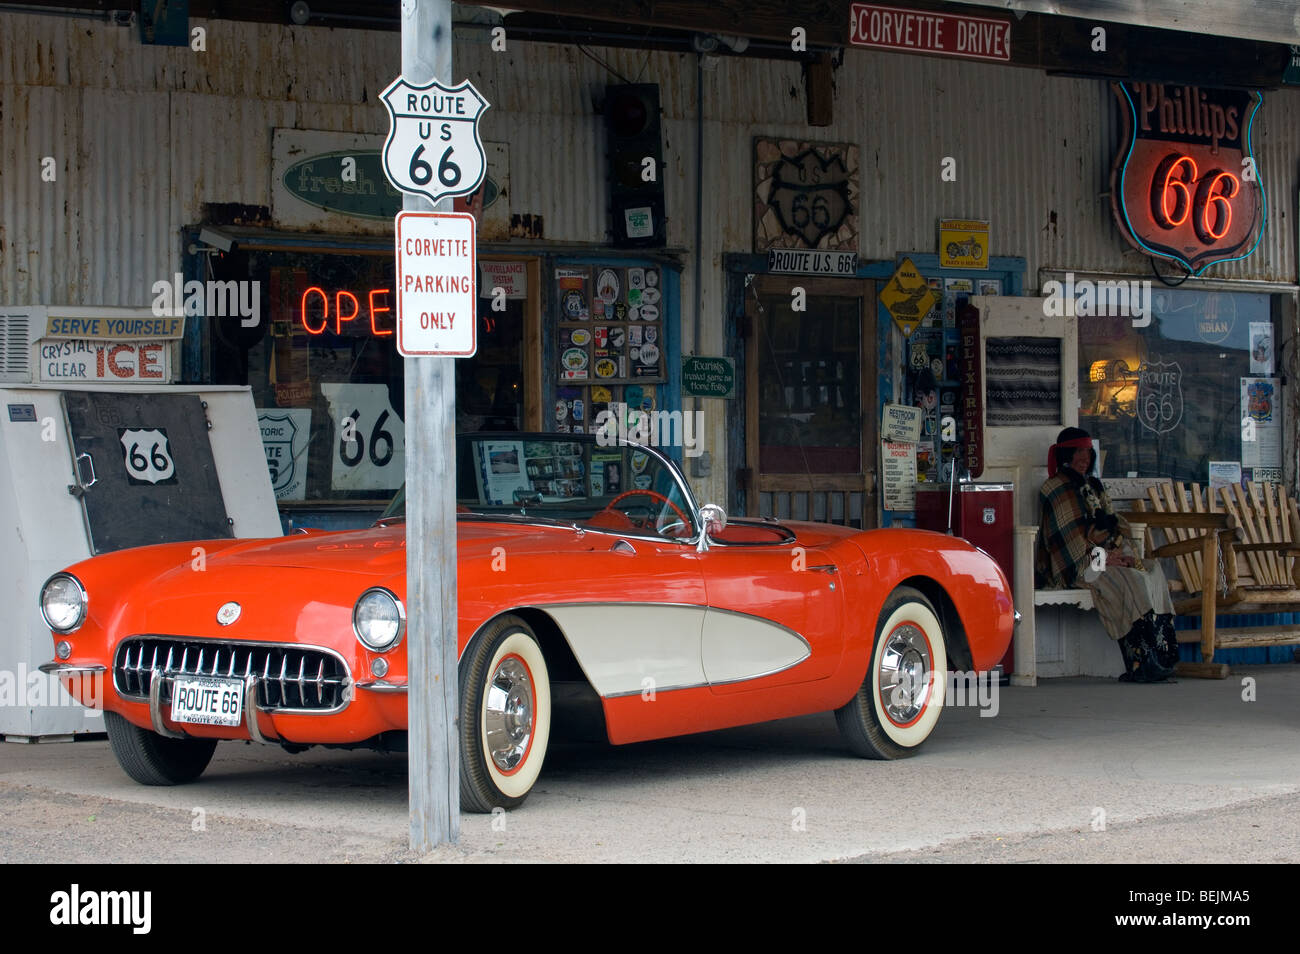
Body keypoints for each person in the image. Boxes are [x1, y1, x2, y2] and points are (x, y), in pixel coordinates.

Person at [1035, 426, 1179, 682]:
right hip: (1079, 565)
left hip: (1107, 557)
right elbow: (1067, 539)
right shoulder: (1053, 488)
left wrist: (1122, 553)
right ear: (1066, 454)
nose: (1084, 459)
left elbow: (1112, 523)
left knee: (1150, 570)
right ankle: (1139, 662)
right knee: (1131, 580)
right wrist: (1102, 558)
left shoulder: (1095, 486)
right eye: (1078, 452)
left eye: (1087, 453)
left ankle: (1162, 656)